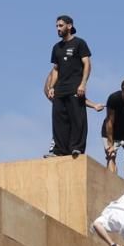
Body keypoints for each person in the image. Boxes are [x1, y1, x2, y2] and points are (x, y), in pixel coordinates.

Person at [44, 15, 91, 157]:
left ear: (69, 26)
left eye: (61, 25)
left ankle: (76, 147)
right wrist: (51, 87)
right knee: (59, 120)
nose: (58, 28)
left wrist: (83, 84)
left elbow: (87, 64)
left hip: (75, 87)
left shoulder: (79, 43)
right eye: (57, 26)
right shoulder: (56, 47)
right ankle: (59, 150)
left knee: (77, 119)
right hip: (60, 89)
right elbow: (56, 69)